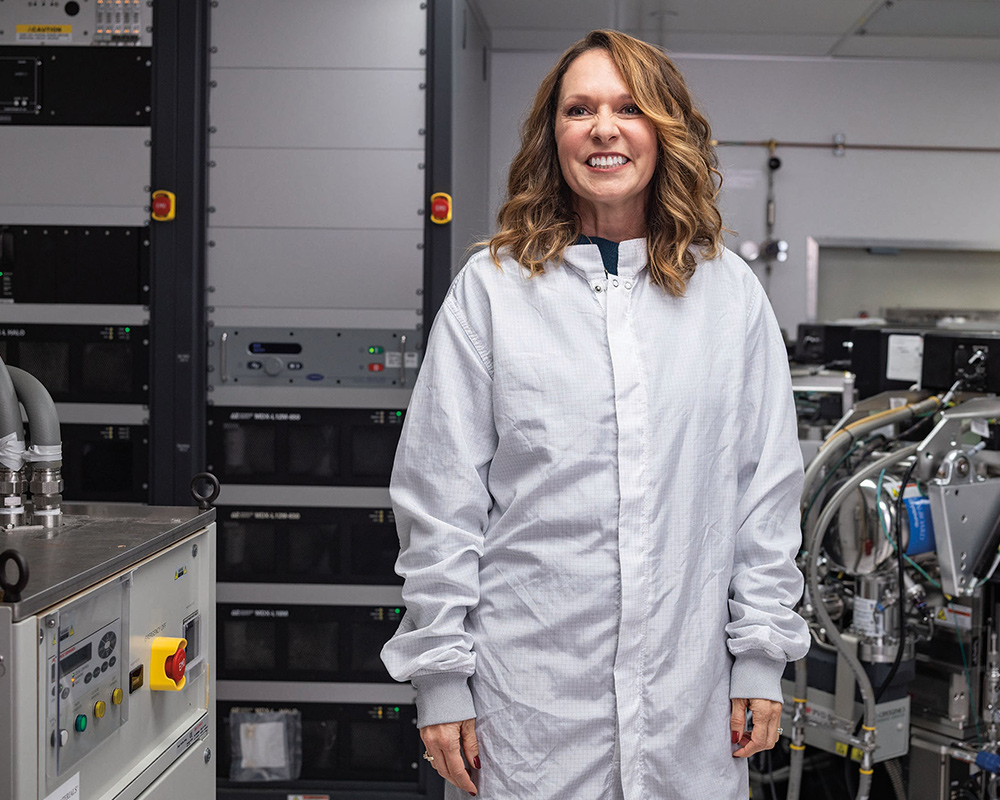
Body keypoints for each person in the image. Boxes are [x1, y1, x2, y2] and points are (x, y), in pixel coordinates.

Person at [381, 29, 808, 800]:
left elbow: (764, 495)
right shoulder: (493, 289)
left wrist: (760, 659)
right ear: (554, 136)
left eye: (629, 108)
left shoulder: (728, 295)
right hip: (530, 705)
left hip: (689, 702)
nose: (604, 129)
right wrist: (440, 678)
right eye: (580, 110)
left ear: (665, 131)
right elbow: (439, 501)